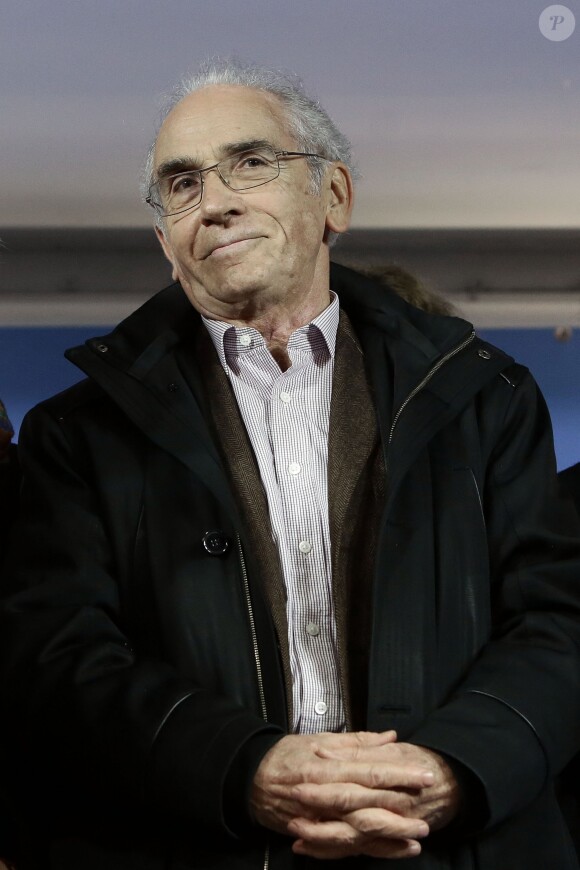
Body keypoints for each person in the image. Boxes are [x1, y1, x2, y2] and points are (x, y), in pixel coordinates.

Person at [1, 60, 580, 870]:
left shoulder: (488, 398)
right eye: (182, 184)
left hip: (454, 849)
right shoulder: (76, 434)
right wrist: (244, 769)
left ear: (333, 197)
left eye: (251, 163)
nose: (215, 202)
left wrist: (447, 772)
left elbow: (558, 625)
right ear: (166, 242)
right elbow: (60, 663)